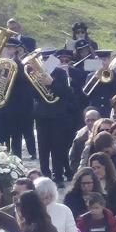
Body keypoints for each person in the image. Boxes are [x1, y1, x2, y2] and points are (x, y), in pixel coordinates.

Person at [34, 48, 75, 184]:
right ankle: (45, 175)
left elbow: (67, 92)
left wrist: (51, 83)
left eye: (48, 59)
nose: (45, 62)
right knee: (43, 148)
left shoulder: (61, 73)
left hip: (58, 115)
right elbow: (33, 95)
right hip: (41, 116)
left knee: (58, 147)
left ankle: (58, 176)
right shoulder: (36, 74)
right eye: (43, 59)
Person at [88, 152, 116, 223]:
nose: (96, 171)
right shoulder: (90, 184)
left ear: (106, 167)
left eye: (98, 167)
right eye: (93, 168)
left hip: (112, 222)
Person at [86, 50, 116, 118]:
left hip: (110, 110)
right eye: (100, 60)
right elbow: (86, 93)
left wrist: (110, 75)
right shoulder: (91, 76)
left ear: (109, 60)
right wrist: (95, 79)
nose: (102, 63)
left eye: (104, 60)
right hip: (96, 111)